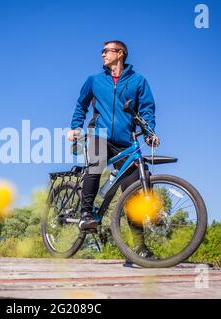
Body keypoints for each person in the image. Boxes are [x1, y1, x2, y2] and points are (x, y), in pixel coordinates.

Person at [67, 40, 160, 241]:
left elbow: (147, 110)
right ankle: (85, 213)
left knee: (132, 193)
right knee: (96, 165)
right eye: (102, 51)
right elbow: (81, 105)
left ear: (120, 54)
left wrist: (149, 132)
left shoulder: (138, 81)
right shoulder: (95, 80)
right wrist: (75, 127)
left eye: (106, 51)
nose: (102, 55)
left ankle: (139, 247)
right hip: (99, 135)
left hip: (125, 141)